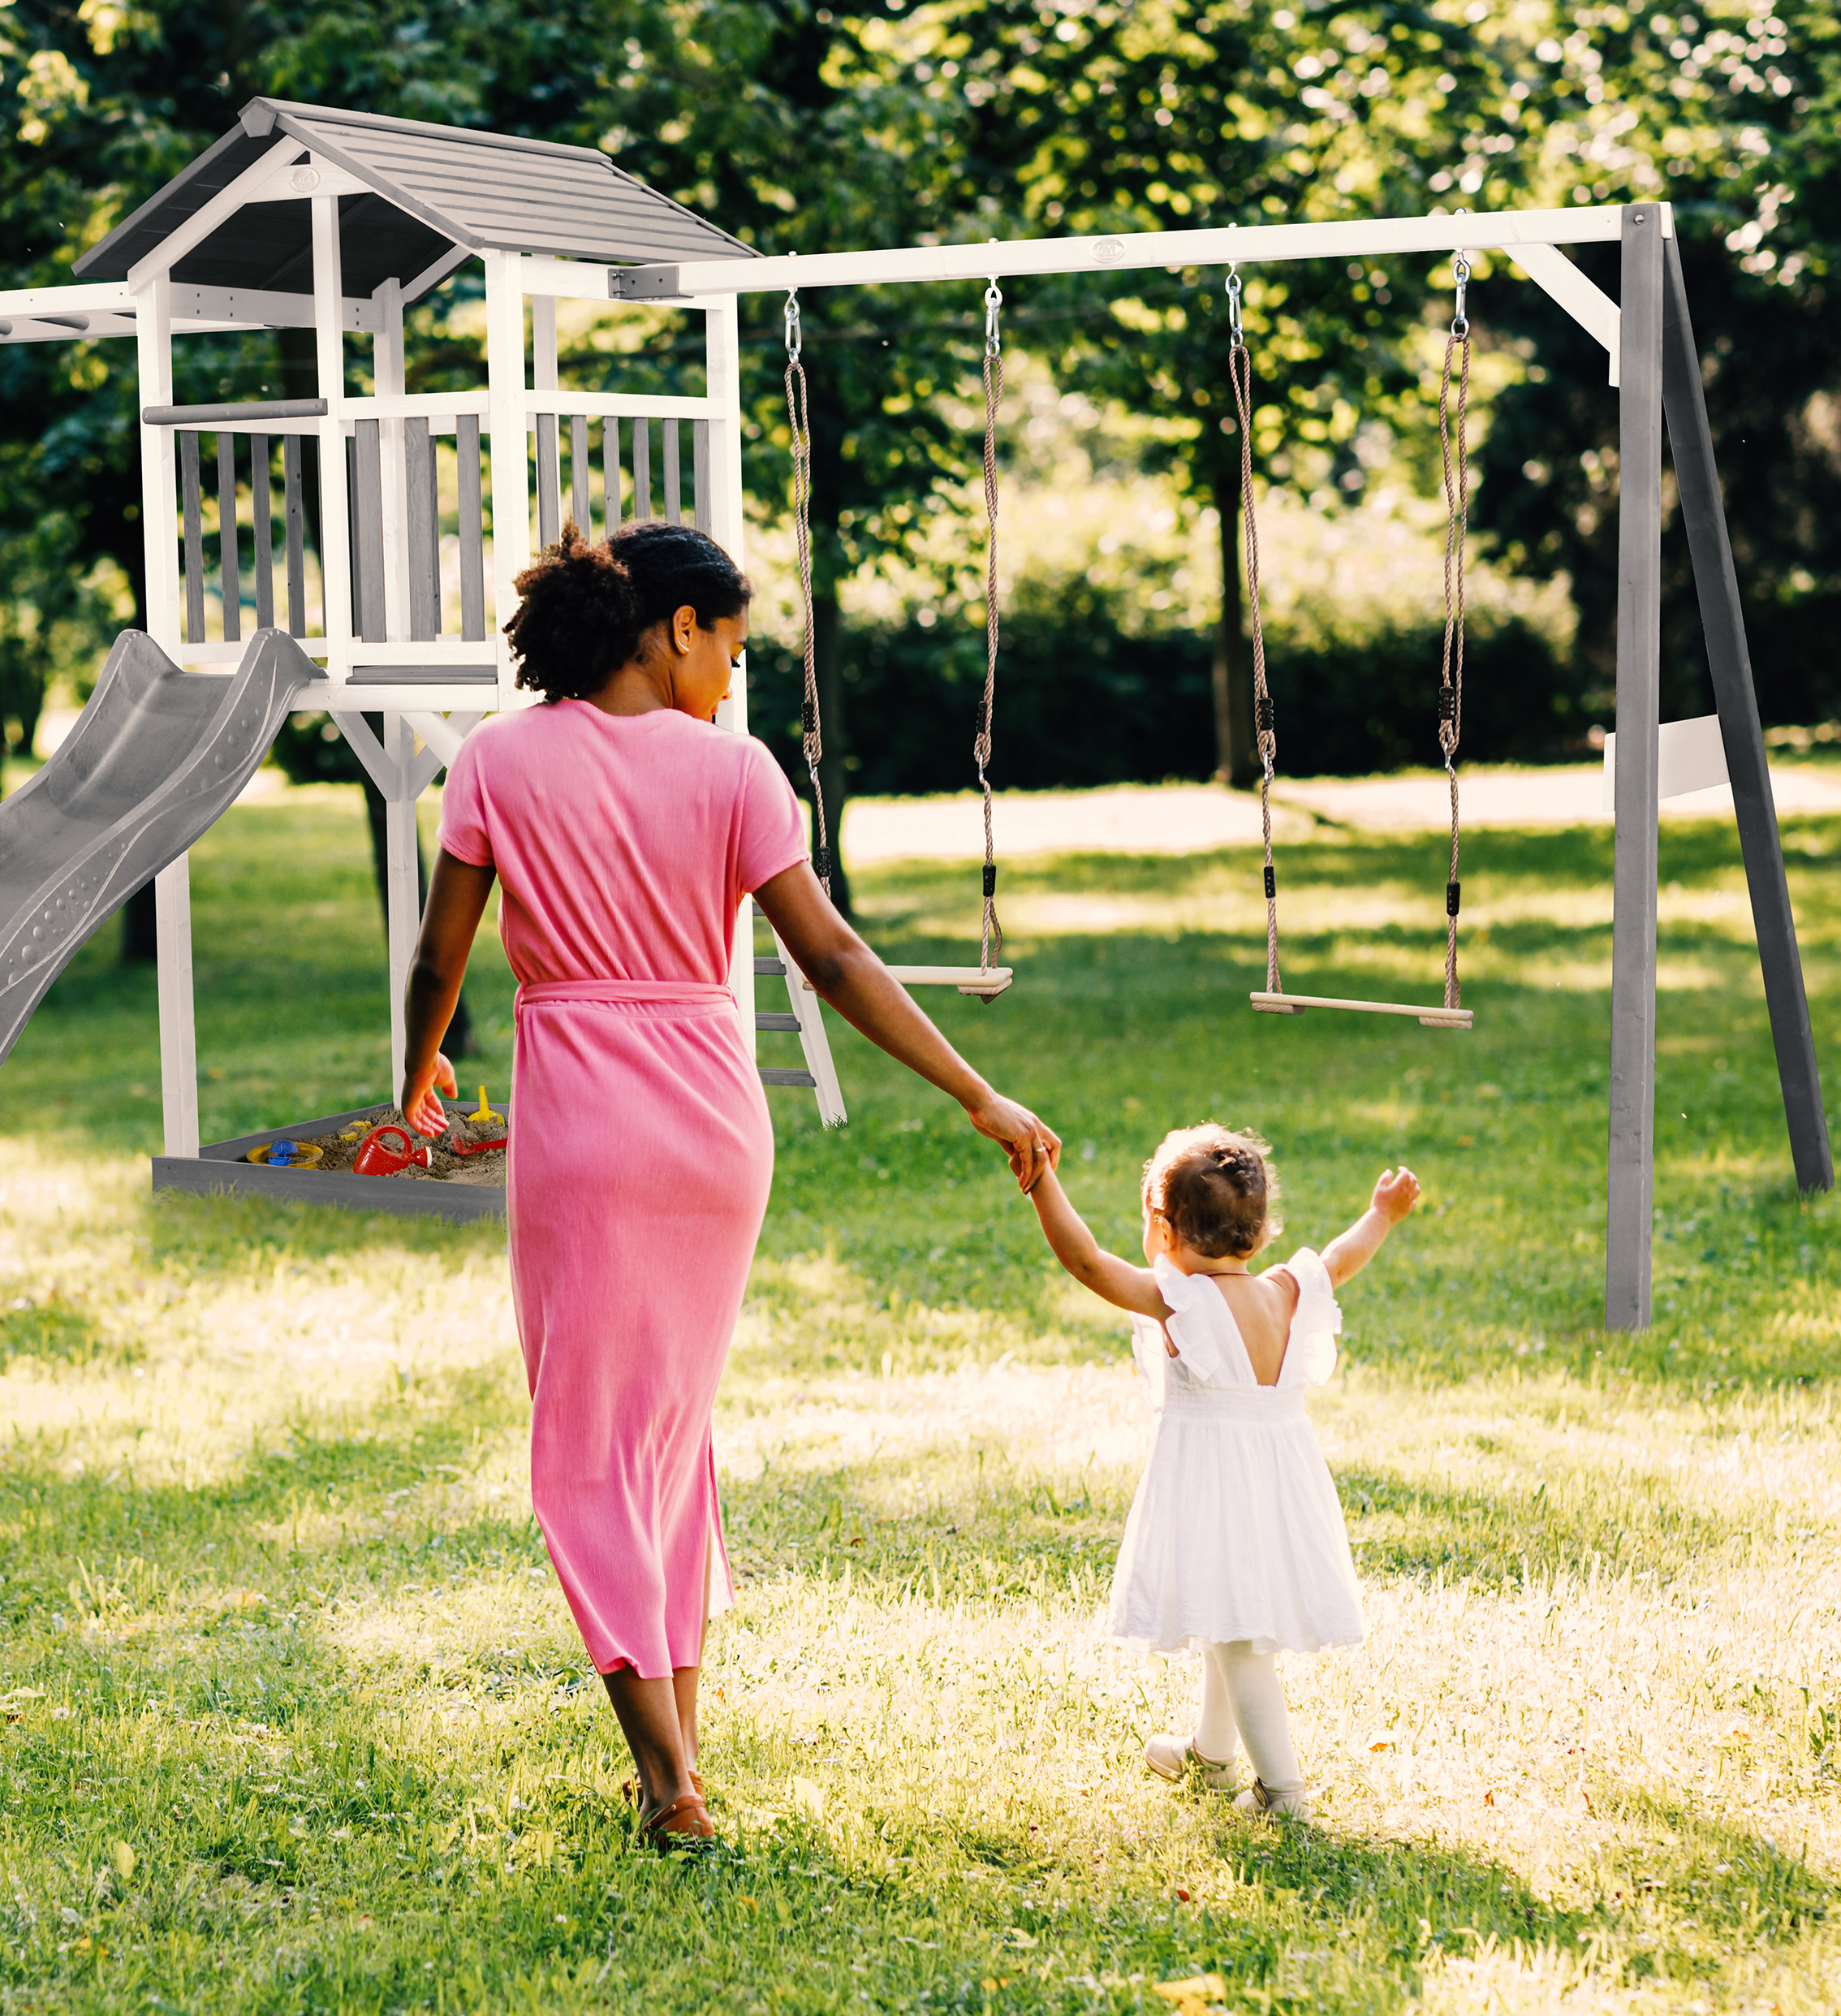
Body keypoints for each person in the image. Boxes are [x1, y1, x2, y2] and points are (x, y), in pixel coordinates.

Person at [400, 521, 1059, 1846]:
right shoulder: (737, 773)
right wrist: (975, 1090)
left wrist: (413, 1075)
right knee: (665, 1440)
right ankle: (680, 1754)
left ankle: (667, 1781)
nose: (733, 677)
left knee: (588, 1449)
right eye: (733, 648)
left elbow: (440, 957)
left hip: (584, 1123)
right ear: (676, 627)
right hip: (712, 1124)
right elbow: (832, 959)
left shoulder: (496, 760)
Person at [1021, 1124, 1421, 1820]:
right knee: (1223, 1613)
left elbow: (1086, 1262)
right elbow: (1341, 1256)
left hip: (1216, 1487)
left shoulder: (1181, 1302)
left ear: (1164, 1230)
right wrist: (1381, 1214)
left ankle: (1282, 1793)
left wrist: (1041, 1180)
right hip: (1279, 1484)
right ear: (1260, 1233)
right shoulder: (1286, 1291)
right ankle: (1211, 1755)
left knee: (1238, 1640)